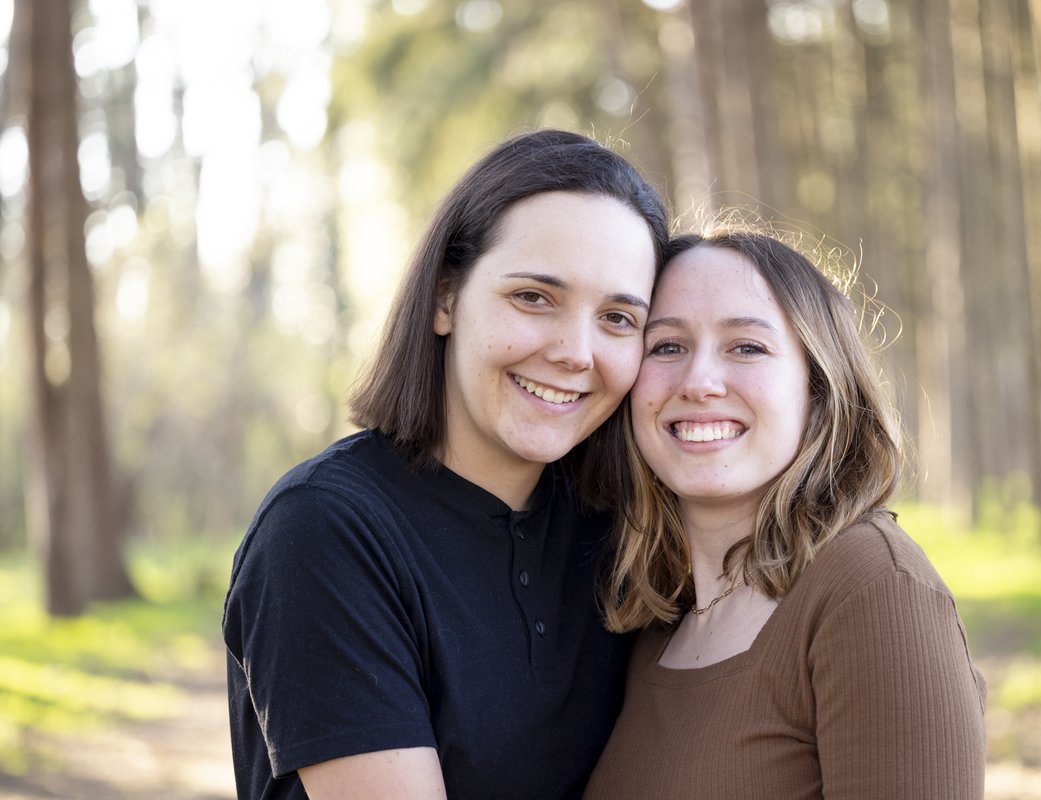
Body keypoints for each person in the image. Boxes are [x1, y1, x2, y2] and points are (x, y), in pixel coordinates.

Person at [222, 129, 670, 799]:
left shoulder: (625, 530)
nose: (577, 352)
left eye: (616, 317)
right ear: (444, 298)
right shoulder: (323, 531)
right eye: (534, 298)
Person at [584, 229, 987, 799]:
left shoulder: (873, 587)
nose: (699, 382)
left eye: (746, 347)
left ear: (818, 390)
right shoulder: (653, 618)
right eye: (667, 346)